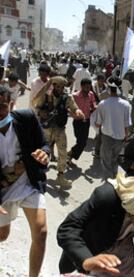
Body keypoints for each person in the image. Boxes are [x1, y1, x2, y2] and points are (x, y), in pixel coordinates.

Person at [0, 85, 50, 277]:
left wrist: (44, 154)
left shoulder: (27, 119)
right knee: (3, 235)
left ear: (11, 105)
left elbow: (44, 145)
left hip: (27, 182)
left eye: (2, 107)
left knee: (41, 232)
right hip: (3, 188)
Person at [33, 76, 84, 189]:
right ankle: (37, 174)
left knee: (63, 153)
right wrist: (41, 113)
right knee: (43, 152)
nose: (61, 89)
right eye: (58, 86)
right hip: (46, 129)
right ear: (54, 86)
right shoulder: (46, 96)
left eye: (62, 87)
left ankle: (60, 176)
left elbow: (74, 107)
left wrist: (78, 111)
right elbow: (36, 107)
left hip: (60, 129)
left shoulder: (67, 98)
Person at [95, 77, 131, 179]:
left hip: (107, 137)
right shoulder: (126, 104)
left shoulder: (102, 104)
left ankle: (108, 182)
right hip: (120, 138)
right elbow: (126, 125)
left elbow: (98, 124)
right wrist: (126, 137)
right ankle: (114, 179)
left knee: (106, 161)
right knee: (115, 160)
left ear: (109, 89)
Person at [68, 79, 97, 165]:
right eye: (86, 87)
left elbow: (93, 103)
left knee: (82, 142)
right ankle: (70, 155)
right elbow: (68, 108)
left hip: (86, 121)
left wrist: (94, 107)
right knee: (80, 141)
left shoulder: (91, 94)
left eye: (89, 87)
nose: (88, 89)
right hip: (77, 121)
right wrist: (73, 114)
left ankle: (70, 156)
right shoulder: (75, 96)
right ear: (82, 86)